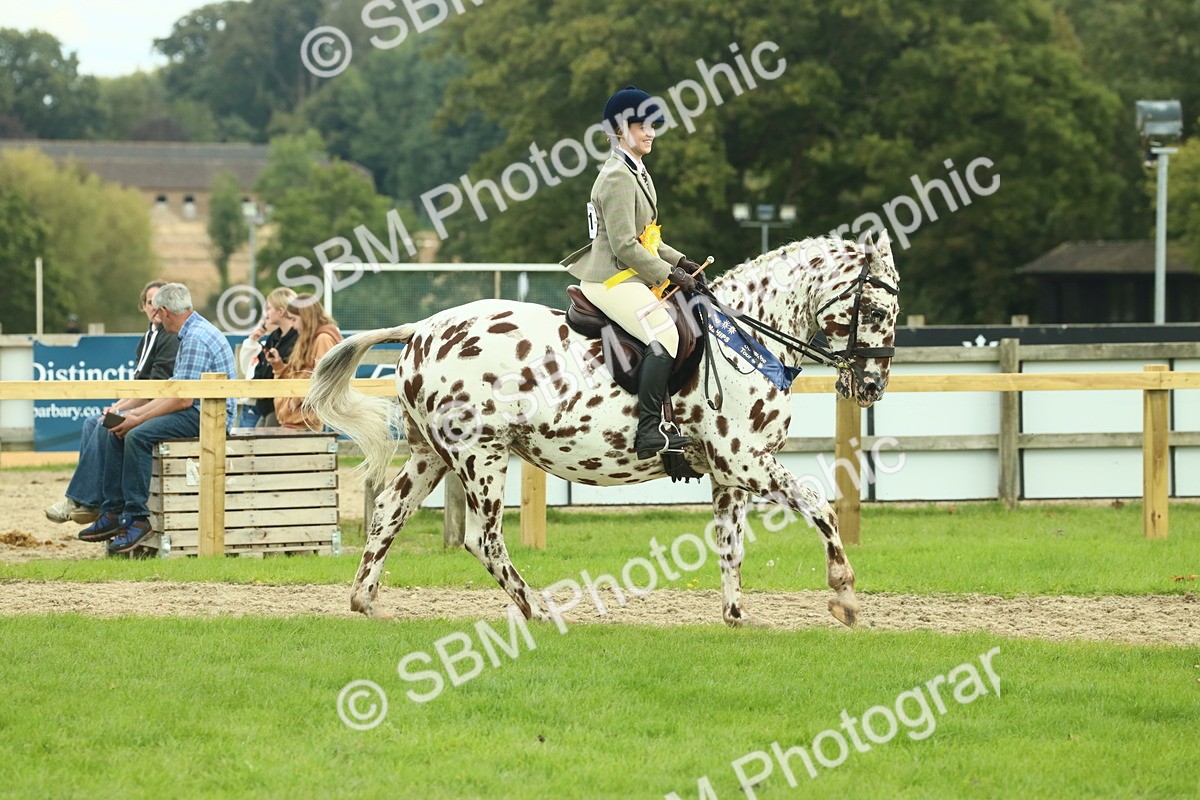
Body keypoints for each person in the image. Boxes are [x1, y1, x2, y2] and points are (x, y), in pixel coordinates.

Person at [561, 85, 705, 459]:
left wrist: (680, 261)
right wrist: (668, 276)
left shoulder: (635, 170)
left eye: (653, 125)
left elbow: (648, 239)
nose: (651, 132)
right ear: (619, 130)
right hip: (611, 277)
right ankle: (647, 431)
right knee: (665, 333)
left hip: (629, 271)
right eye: (642, 125)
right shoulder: (616, 178)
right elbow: (625, 245)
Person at [79, 283, 237, 555]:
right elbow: (176, 391)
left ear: (164, 312)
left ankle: (137, 517)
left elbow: (182, 400)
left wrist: (136, 420)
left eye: (158, 314)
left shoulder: (195, 339)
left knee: (136, 435)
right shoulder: (192, 333)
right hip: (200, 408)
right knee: (117, 427)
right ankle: (115, 511)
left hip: (209, 415)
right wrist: (133, 414)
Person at [45, 281, 179, 525]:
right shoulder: (148, 337)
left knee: (102, 424)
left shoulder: (168, 338)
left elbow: (153, 390)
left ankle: (82, 500)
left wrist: (120, 408)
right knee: (90, 422)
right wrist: (118, 405)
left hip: (159, 407)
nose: (155, 308)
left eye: (160, 303)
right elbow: (140, 387)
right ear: (143, 307)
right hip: (149, 401)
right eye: (151, 303)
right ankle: (89, 502)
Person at [265, 294, 343, 430]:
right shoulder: (308, 339)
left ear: (306, 318)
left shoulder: (323, 339)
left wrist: (298, 398)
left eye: (294, 319)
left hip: (305, 422)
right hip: (294, 420)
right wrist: (278, 365)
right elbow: (297, 374)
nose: (293, 326)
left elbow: (323, 377)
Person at [236, 287, 298, 427]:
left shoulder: (296, 340)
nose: (266, 314)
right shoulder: (274, 337)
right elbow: (259, 367)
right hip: (265, 405)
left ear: (281, 312)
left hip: (281, 405)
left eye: (269, 308)